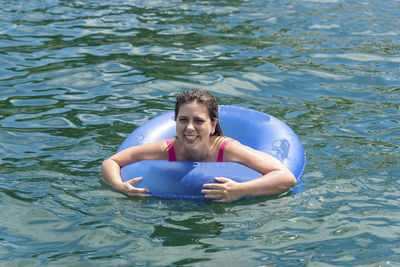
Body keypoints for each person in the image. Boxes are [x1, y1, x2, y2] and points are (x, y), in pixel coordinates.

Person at [102, 89, 296, 202]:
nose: (190, 128)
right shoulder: (167, 148)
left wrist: (242, 189)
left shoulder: (227, 149)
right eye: (183, 120)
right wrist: (120, 186)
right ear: (175, 122)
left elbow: (286, 177)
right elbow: (112, 161)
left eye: (199, 121)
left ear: (213, 125)